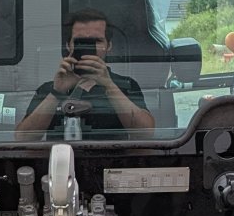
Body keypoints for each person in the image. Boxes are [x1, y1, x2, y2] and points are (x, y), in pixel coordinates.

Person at [15, 10, 155, 138]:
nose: (89, 47)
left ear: (109, 46)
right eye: (80, 41)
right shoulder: (48, 89)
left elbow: (146, 134)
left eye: (97, 41)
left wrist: (109, 86)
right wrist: (57, 93)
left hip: (112, 163)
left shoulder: (126, 86)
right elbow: (23, 138)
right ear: (68, 45)